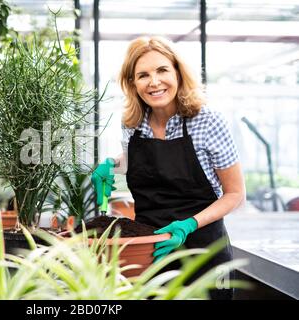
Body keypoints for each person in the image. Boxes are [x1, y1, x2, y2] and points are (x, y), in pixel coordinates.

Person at [91, 36, 245, 300]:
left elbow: (235, 194)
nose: (154, 82)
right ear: (132, 83)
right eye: (143, 75)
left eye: (162, 70)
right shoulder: (133, 123)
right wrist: (111, 165)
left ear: (178, 72)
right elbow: (138, 160)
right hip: (150, 254)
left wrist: (187, 225)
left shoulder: (208, 122)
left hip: (202, 252)